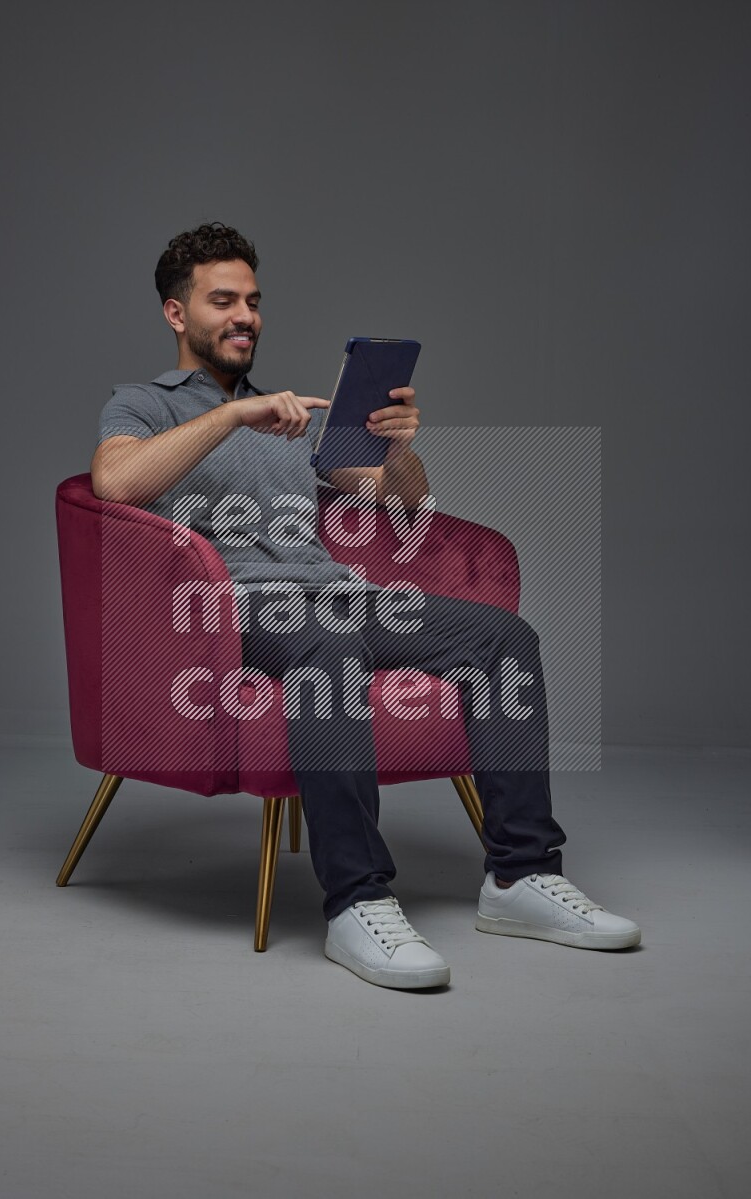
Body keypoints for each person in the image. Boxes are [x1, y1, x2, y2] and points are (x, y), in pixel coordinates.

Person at [92, 221, 641, 990]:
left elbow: (405, 507)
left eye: (252, 300)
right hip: (229, 610)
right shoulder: (143, 404)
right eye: (223, 300)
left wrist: (399, 443)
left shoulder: (294, 416)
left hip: (336, 597)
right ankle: (357, 902)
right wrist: (228, 416)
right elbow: (115, 485)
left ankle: (520, 877)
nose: (245, 315)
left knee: (504, 639)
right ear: (177, 315)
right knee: (329, 648)